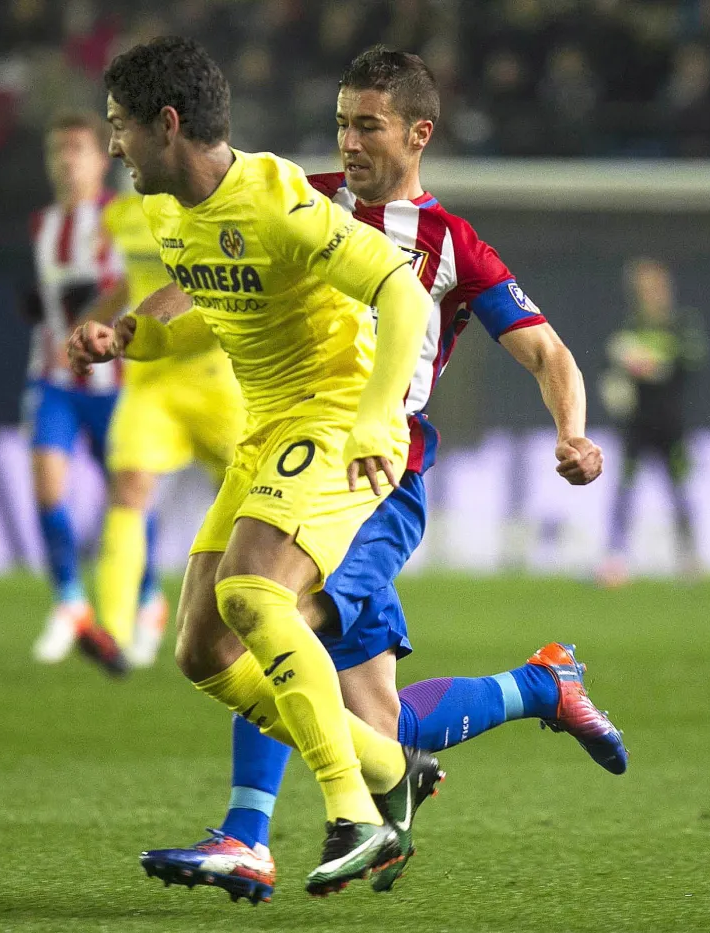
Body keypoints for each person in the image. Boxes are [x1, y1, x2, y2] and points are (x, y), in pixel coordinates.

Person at [131, 46, 626, 904]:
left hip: (377, 472)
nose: (349, 143)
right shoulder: (303, 198)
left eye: (367, 126)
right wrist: (140, 324)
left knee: (266, 611)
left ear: (417, 134)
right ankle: (540, 685)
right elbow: (211, 272)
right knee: (366, 710)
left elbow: (547, 350)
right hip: (300, 448)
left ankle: (252, 835)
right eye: (340, 125)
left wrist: (573, 433)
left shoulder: (453, 247)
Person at [71, 36, 446, 896]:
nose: (115, 146)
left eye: (121, 127)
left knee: (254, 595)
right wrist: (134, 333)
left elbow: (401, 288)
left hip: (335, 412)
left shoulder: (277, 198)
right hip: (266, 423)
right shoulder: (169, 208)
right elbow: (214, 297)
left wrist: (377, 422)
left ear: (168, 125)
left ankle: (356, 817)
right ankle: (392, 763)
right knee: (202, 648)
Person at [89, 187, 246, 667]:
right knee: (129, 487)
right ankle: (113, 630)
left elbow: (213, 281)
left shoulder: (214, 205)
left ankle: (276, 611)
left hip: (216, 379)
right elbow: (131, 283)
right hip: (151, 382)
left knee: (252, 500)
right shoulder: (118, 215)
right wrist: (93, 322)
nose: (121, 145)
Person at [24, 111, 156, 675]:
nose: (66, 160)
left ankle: (147, 601)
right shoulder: (42, 224)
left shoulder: (122, 219)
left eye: (77, 148)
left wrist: (100, 315)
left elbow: (137, 281)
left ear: (101, 159)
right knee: (48, 488)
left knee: (126, 497)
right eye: (58, 149)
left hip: (112, 383)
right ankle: (71, 605)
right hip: (52, 379)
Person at [598, 258, 708, 587]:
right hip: (637, 423)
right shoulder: (630, 327)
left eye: (654, 286)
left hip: (671, 423)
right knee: (625, 489)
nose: (649, 293)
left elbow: (687, 362)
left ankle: (689, 558)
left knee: (680, 489)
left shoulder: (682, 325)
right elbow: (614, 371)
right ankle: (616, 560)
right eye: (642, 287)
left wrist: (644, 362)